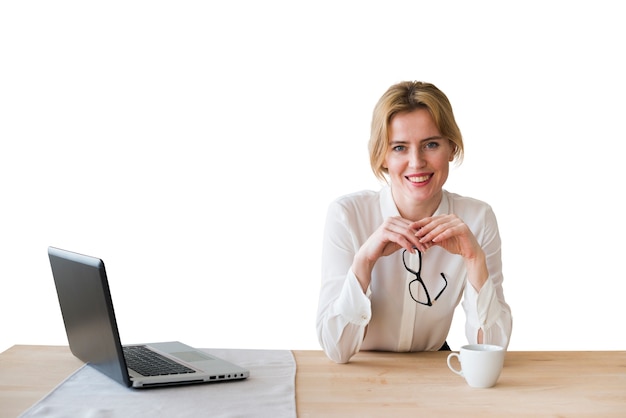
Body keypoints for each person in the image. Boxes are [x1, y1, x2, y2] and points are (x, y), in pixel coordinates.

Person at [316, 81, 512, 364]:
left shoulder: (478, 219)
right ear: (382, 156)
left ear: (451, 149)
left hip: (433, 373)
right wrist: (364, 262)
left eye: (431, 144)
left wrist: (474, 260)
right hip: (363, 372)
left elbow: (493, 352)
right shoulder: (347, 215)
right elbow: (337, 350)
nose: (416, 161)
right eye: (399, 148)